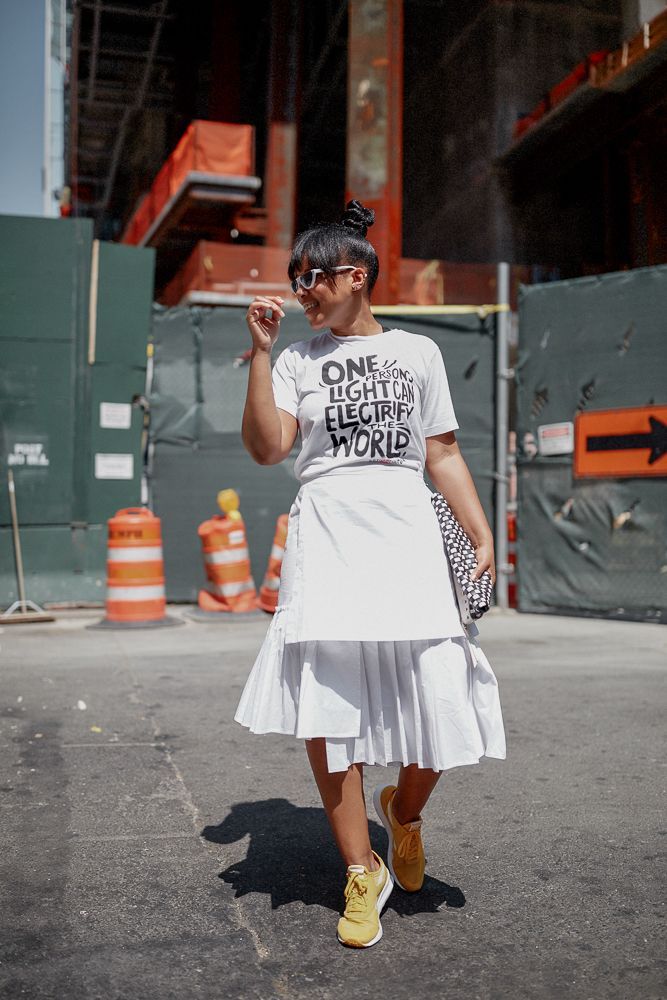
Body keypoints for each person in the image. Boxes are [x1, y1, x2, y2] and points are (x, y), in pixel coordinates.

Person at [235, 200, 506, 948]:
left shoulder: (417, 352)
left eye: (311, 276)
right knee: (329, 713)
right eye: (295, 279)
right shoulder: (296, 359)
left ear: (354, 276)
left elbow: (441, 452)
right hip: (325, 537)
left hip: (408, 536)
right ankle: (363, 872)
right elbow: (266, 448)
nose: (300, 291)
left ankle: (404, 812)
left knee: (441, 694)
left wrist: (480, 531)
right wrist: (261, 353)